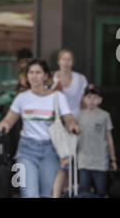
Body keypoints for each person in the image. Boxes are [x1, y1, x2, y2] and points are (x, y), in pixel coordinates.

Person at [0, 58, 81, 198]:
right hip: (26, 151)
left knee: (46, 194)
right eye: (31, 72)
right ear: (27, 76)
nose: (34, 76)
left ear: (45, 76)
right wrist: (4, 124)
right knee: (30, 194)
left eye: (38, 72)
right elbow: (9, 119)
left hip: (50, 151)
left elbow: (68, 118)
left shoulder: (57, 97)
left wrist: (73, 125)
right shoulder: (22, 98)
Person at [51, 49, 88, 197]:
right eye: (63, 59)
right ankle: (60, 191)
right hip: (57, 123)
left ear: (73, 62)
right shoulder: (52, 78)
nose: (66, 63)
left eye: (69, 59)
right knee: (61, 160)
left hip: (75, 122)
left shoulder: (80, 79)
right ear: (58, 61)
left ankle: (67, 189)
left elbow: (84, 102)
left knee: (71, 159)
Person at [75, 84, 117, 197]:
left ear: (100, 100)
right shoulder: (78, 115)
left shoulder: (104, 115)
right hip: (83, 160)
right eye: (88, 97)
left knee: (101, 191)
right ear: (83, 99)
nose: (92, 100)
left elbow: (109, 137)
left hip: (100, 160)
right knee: (83, 191)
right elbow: (74, 138)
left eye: (95, 97)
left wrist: (113, 159)